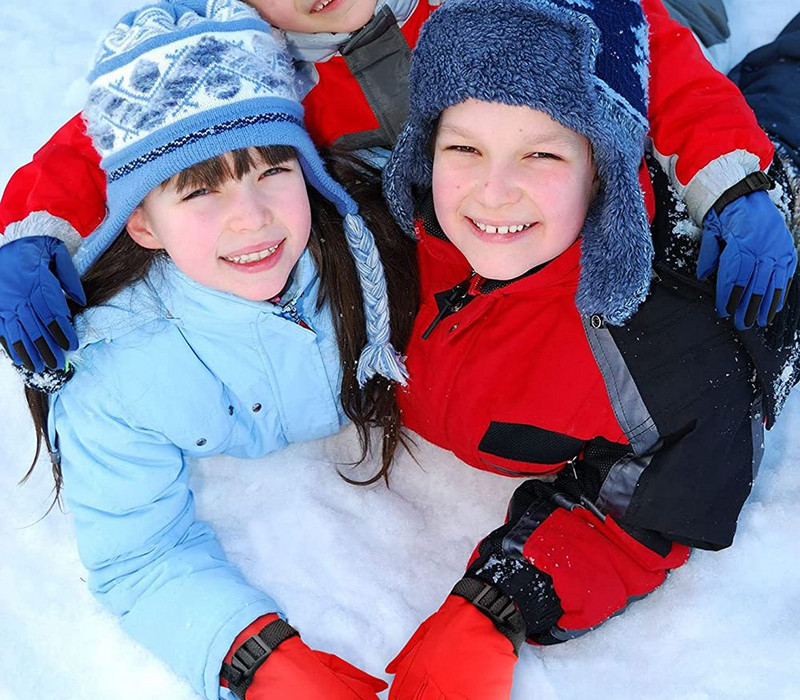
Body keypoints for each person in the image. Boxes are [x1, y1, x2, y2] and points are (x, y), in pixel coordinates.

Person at [381, 0, 800, 700]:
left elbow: (651, 505)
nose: (495, 189)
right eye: (464, 149)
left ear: (602, 172)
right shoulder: (393, 248)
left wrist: (502, 600)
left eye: (542, 154)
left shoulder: (653, 348)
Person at [21, 0, 420, 700]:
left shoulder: (374, 261)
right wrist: (254, 655)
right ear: (141, 222)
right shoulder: (117, 375)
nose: (252, 219)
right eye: (201, 191)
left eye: (275, 169)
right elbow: (137, 552)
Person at [0, 0, 794, 383]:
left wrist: (734, 182)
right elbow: (110, 132)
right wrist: (33, 234)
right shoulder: (242, 54)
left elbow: (650, 51)